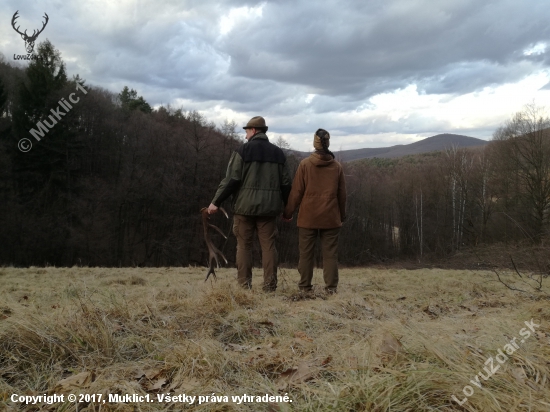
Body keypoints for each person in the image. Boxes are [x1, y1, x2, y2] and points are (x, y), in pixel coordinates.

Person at [207, 116, 292, 291]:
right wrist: (287, 210)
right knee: (268, 246)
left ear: (253, 131)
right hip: (269, 209)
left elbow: (231, 180)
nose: (245, 136)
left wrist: (216, 202)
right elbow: (286, 185)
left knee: (244, 246)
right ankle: (270, 287)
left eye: (246, 132)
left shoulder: (242, 151)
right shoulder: (278, 154)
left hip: (244, 209)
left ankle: (244, 286)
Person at [282, 128, 346, 293]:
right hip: (331, 217)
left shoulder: (305, 165)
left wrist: (288, 212)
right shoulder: (337, 167)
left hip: (308, 217)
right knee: (330, 255)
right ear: (328, 143)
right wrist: (342, 215)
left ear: (314, 143)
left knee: (305, 254)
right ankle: (331, 289)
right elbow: (342, 195)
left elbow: (296, 192)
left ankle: (304, 287)